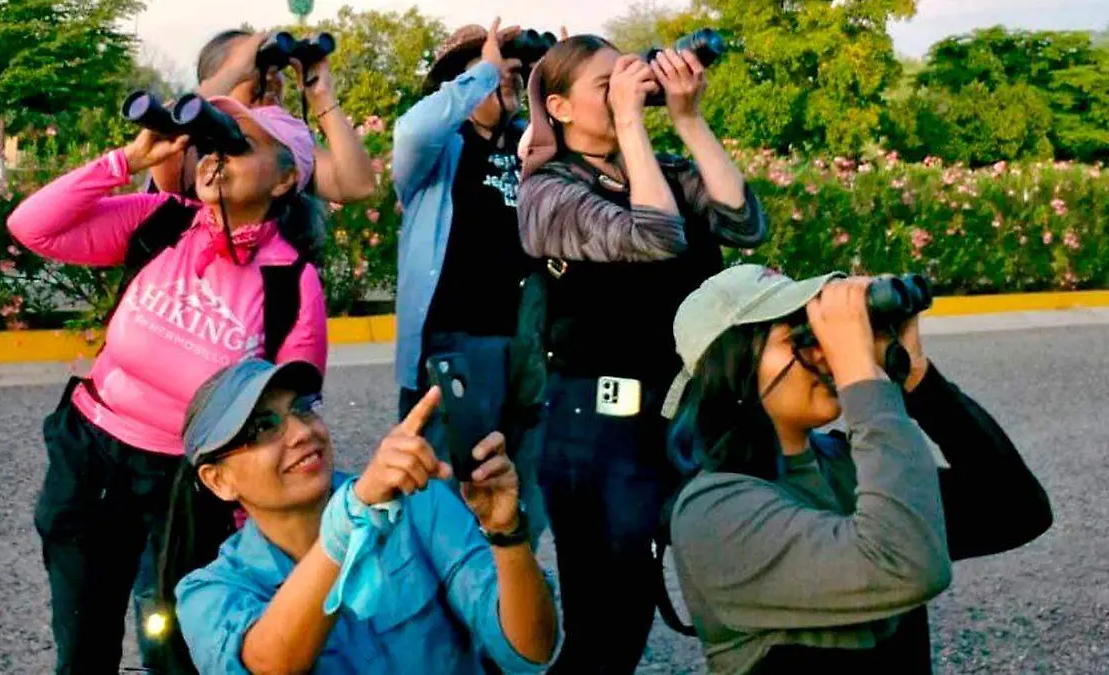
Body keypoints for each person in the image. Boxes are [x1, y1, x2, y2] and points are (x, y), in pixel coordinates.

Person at [8, 99, 333, 674]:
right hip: (92, 457)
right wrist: (128, 159)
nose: (216, 158)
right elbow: (31, 226)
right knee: (81, 644)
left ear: (286, 178)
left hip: (188, 484)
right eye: (215, 144)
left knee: (175, 650)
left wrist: (252, 511)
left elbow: (284, 416)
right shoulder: (163, 222)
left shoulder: (290, 283)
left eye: (240, 146)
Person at [514, 34, 766, 672]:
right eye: (606, 85)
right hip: (596, 433)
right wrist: (632, 123)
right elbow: (655, 238)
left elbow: (745, 226)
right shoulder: (548, 192)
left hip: (687, 413)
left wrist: (687, 118)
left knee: (740, 582)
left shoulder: (663, 170)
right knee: (610, 624)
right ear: (560, 108)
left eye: (628, 78)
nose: (627, 90)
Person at [664, 265, 1054, 674]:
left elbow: (1017, 510)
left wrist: (918, 377)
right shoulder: (714, 512)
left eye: (820, 338)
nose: (825, 354)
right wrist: (861, 378)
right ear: (733, 364)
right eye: (800, 339)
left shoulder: (846, 464)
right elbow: (907, 565)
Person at [166, 358, 560, 673]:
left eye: (303, 409)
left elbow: (529, 652)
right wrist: (351, 520)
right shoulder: (207, 594)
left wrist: (507, 534)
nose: (301, 432)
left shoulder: (417, 502)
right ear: (218, 481)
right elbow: (271, 664)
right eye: (262, 427)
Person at [392, 19, 548, 544]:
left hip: (522, 342)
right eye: (493, 70)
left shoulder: (524, 144)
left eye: (511, 73)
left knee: (515, 481)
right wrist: (481, 72)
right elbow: (412, 129)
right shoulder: (438, 152)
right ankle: (440, 593)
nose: (506, 78)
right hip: (456, 340)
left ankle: (505, 588)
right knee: (447, 488)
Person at [150, 28, 376, 205]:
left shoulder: (285, 143)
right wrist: (235, 70)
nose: (270, 77)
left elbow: (357, 186)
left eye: (275, 68)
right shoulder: (194, 143)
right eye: (255, 67)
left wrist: (322, 96)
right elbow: (164, 136)